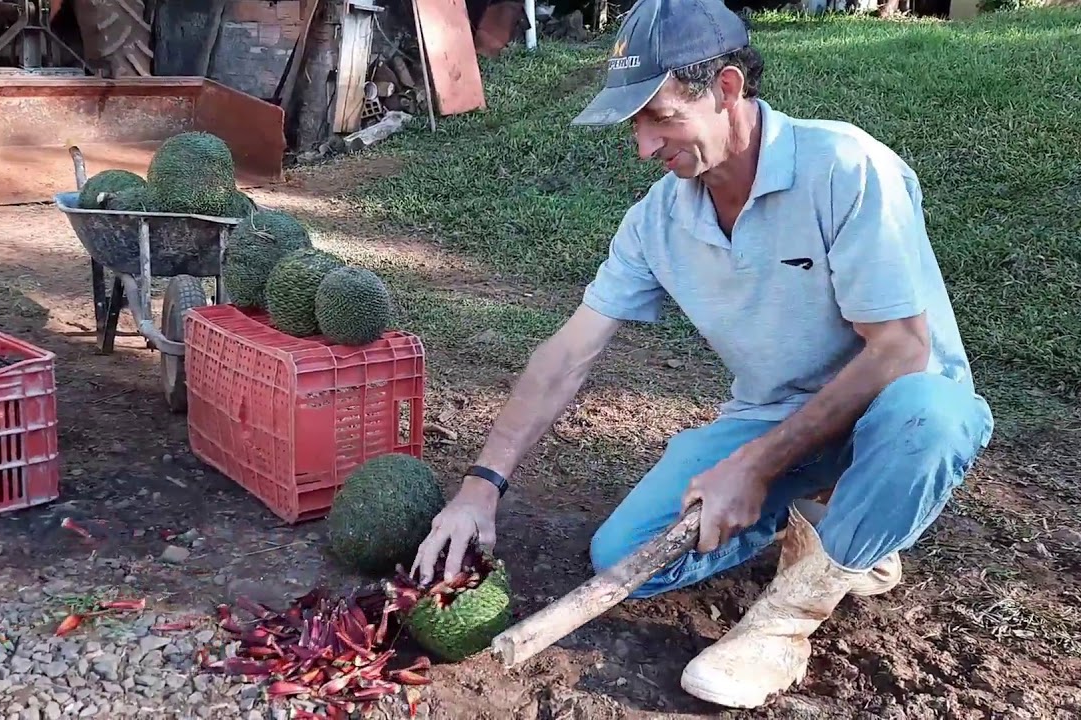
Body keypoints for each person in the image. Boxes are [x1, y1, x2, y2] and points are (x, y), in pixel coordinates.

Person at [409, 0, 996, 709]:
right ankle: (843, 524)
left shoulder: (846, 165)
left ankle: (786, 621)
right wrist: (481, 486)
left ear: (725, 88)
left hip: (892, 405)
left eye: (659, 117)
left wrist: (750, 468)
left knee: (930, 416)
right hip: (778, 416)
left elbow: (901, 348)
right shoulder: (658, 221)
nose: (645, 148)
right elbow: (568, 353)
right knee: (620, 555)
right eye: (635, 125)